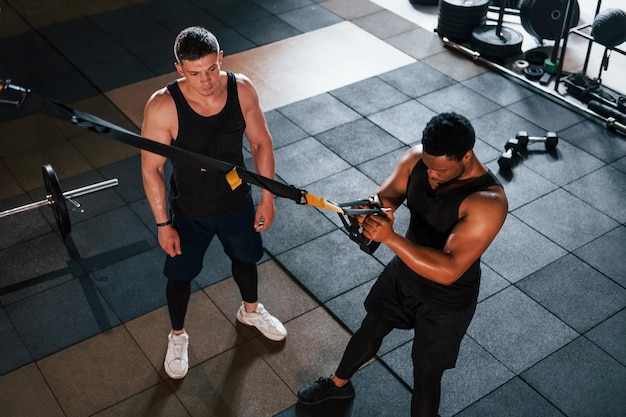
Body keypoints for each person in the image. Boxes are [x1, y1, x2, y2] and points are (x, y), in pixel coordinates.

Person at [297, 112, 508, 417]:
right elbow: (386, 198)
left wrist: (391, 238)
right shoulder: (417, 160)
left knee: (426, 374)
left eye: (441, 170)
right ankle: (337, 384)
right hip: (405, 275)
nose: (433, 176)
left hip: (446, 300)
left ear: (466, 155)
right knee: (369, 329)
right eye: (430, 167)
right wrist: (368, 210)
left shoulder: (488, 201)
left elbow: (450, 269)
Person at [141, 26, 287, 380]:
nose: (206, 80)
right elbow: (151, 169)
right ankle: (178, 335)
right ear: (179, 69)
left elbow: (261, 144)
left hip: (237, 202)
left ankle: (250, 311)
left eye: (211, 69)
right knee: (180, 276)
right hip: (189, 212)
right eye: (194, 73)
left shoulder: (242, 88)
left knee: (246, 259)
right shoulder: (163, 106)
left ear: (220, 58)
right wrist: (163, 224)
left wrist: (267, 199)